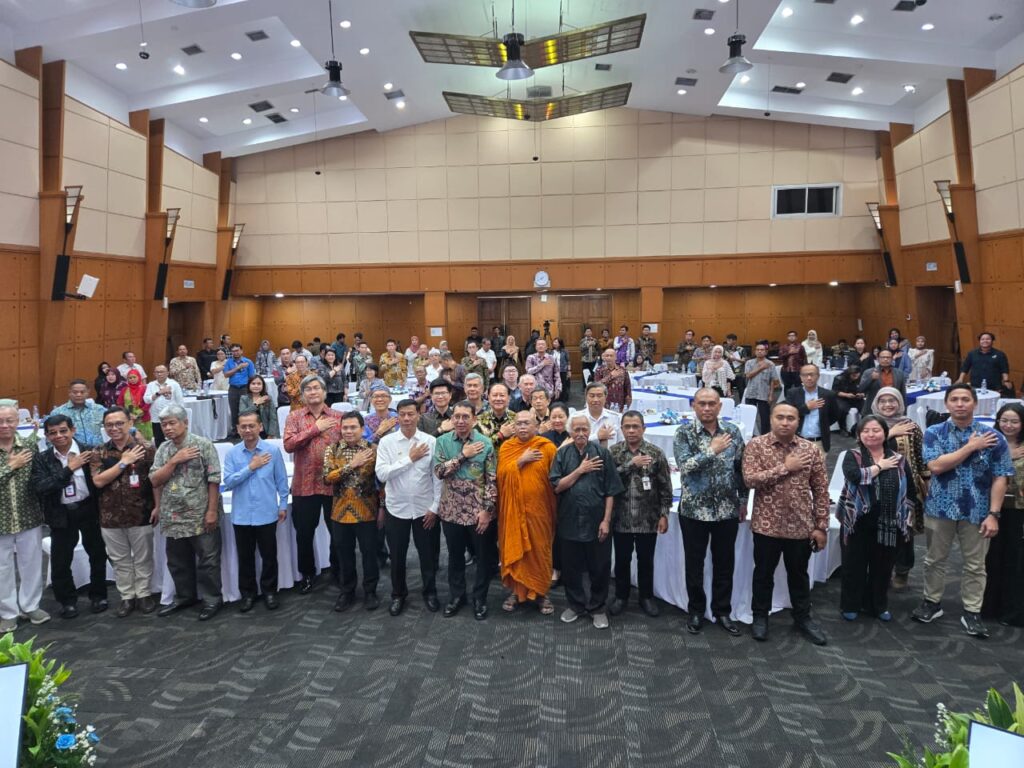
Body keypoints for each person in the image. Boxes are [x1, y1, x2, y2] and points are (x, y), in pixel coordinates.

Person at [912, 384, 1014, 638]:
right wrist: (970, 447)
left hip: (978, 510)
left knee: (976, 565)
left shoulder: (993, 437)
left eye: (965, 399)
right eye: (955, 399)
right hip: (940, 507)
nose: (960, 404)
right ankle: (931, 602)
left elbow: (1001, 477)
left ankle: (972, 611)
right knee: (934, 559)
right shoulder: (934, 432)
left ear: (975, 403)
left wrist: (994, 514)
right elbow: (936, 466)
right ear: (946, 404)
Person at [742, 402, 830, 645]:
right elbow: (750, 480)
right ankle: (760, 616)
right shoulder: (756, 445)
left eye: (790, 418)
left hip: (801, 525)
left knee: (799, 575)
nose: (785, 422)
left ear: (798, 421)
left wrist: (821, 526)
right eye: (780, 417)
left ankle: (802, 618)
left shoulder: (810, 450)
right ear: (771, 419)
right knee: (763, 574)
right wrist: (785, 468)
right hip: (766, 525)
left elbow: (821, 490)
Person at [674, 389, 746, 635]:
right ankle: (696, 610)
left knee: (724, 563)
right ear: (693, 406)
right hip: (694, 511)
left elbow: (740, 469)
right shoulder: (684, 433)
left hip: (727, 509)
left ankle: (722, 611)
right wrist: (711, 450)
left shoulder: (732, 432)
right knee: (694, 564)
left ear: (719, 406)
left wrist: (743, 500)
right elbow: (684, 466)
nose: (707, 408)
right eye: (702, 403)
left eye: (712, 403)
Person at [837, 415, 917, 622]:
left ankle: (877, 605)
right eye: (865, 431)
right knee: (853, 565)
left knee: (882, 567)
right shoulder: (852, 456)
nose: (871, 435)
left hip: (889, 522)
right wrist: (880, 466)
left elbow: (910, 490)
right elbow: (855, 476)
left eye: (876, 430)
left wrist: (906, 518)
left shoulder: (899, 460)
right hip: (857, 520)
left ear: (885, 433)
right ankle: (851, 604)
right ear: (859, 435)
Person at [549, 414, 624, 629]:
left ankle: (597, 608)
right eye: (577, 430)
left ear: (590, 431)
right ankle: (575, 605)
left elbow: (611, 490)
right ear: (570, 432)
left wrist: (606, 520)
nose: (581, 433)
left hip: (597, 520)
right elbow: (557, 486)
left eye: (584, 429)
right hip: (569, 520)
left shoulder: (602, 453)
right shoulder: (562, 454)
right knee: (571, 568)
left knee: (599, 567)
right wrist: (580, 470)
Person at [149, 406, 223, 621]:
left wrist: (212, 511)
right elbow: (155, 480)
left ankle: (212, 599)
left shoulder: (203, 445)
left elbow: (214, 480)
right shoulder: (164, 449)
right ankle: (185, 596)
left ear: (185, 423)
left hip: (199, 514)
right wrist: (174, 460)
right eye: (164, 424)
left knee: (208, 560)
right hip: (173, 515)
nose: (167, 428)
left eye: (172, 423)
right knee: (177, 561)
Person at [31, 415, 107, 618]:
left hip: (88, 508)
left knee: (97, 554)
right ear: (47, 436)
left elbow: (100, 482)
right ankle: (67, 601)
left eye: (63, 430)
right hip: (60, 512)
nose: (59, 436)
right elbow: (42, 487)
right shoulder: (42, 459)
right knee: (61, 560)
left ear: (72, 430)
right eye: (53, 433)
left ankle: (98, 595)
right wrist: (69, 469)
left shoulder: (89, 452)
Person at [376, 399, 443, 616]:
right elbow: (382, 474)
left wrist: (435, 507)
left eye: (411, 414)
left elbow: (438, 477)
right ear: (397, 417)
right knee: (397, 556)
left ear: (418, 415)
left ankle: (430, 592)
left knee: (428, 555)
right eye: (402, 414)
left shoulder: (430, 441)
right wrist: (409, 459)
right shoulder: (387, 443)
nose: (406, 418)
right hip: (396, 509)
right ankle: (398, 594)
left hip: (425, 509)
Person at [432, 401, 498, 621]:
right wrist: (463, 455)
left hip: (478, 511)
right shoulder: (442, 442)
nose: (460, 421)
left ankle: (480, 598)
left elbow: (492, 480)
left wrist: (487, 510)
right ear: (451, 419)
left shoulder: (485, 443)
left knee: (483, 557)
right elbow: (439, 472)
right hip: (451, 510)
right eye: (457, 417)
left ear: (474, 419)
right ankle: (456, 596)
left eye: (465, 417)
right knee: (455, 556)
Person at [89, 406, 156, 617]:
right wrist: (123, 462)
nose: (114, 428)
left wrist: (158, 506)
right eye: (109, 425)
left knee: (143, 558)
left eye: (119, 423)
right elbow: (98, 481)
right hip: (110, 515)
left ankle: (144, 594)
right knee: (120, 560)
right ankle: (127, 596)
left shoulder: (146, 449)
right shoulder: (98, 451)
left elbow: (156, 481)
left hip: (141, 512)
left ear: (130, 423)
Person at [222, 411, 288, 612]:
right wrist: (251, 467)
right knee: (245, 558)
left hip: (266, 512)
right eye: (243, 426)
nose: (248, 430)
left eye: (252, 425)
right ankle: (248, 594)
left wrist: (283, 505)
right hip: (242, 515)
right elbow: (229, 482)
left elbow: (281, 481)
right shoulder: (232, 454)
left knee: (269, 556)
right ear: (238, 429)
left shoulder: (272, 451)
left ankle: (269, 592)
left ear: (260, 427)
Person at [283, 374, 343, 594]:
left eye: (316, 387)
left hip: (333, 484)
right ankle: (307, 574)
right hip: (304, 484)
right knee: (304, 533)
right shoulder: (294, 417)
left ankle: (338, 571)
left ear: (325, 392)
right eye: (308, 389)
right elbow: (289, 445)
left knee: (338, 532)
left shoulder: (338, 417)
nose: (313, 392)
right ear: (302, 395)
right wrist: (315, 429)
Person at [608, 411, 672, 618]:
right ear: (621, 429)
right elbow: (608, 481)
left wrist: (664, 514)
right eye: (627, 427)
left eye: (635, 426)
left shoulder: (655, 453)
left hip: (648, 518)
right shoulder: (614, 452)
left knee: (646, 559)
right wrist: (630, 465)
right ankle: (621, 596)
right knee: (622, 560)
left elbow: (665, 486)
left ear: (643, 429)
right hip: (621, 518)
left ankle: (646, 597)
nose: (631, 431)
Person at [498, 410, 558, 615]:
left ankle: (542, 593)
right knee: (516, 551)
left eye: (527, 423)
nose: (522, 427)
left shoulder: (546, 447)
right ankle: (516, 592)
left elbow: (556, 479)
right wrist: (520, 461)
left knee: (540, 551)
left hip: (539, 512)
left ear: (536, 426)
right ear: (513, 426)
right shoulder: (507, 447)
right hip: (513, 511)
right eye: (519, 423)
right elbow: (500, 477)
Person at [871, 388, 929, 590]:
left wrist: (926, 482)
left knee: (904, 532)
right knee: (878, 530)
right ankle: (881, 570)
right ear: (876, 404)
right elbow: (861, 451)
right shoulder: (870, 425)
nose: (888, 405)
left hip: (906, 489)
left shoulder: (910, 426)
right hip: (876, 487)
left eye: (892, 400)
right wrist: (889, 434)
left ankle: (902, 570)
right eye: (883, 401)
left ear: (900, 403)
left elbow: (921, 456)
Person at [323, 411, 380, 612]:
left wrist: (382, 508)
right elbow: (327, 478)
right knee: (344, 554)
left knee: (370, 554)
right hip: (340, 512)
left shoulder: (372, 450)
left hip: (367, 511)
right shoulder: (332, 449)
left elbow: (381, 481)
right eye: (345, 427)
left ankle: (370, 591)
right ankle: (347, 591)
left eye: (353, 427)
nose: (348, 431)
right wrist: (351, 465)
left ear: (362, 429)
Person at [0, 400, 48, 632]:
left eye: (9, 420)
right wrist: (11, 466)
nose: (5, 425)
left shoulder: (29, 444)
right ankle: (8, 612)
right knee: (2, 569)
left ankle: (31, 606)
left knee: (32, 563)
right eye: (0, 421)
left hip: (29, 514)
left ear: (17, 422)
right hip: (1, 519)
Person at [982, 403, 1024, 626]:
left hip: (1019, 510)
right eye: (1004, 421)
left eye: (1014, 421)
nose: (1008, 425)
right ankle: (988, 607)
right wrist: (1007, 455)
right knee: (991, 558)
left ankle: (1012, 610)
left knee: (1015, 560)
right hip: (991, 509)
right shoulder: (989, 443)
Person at [785, 364, 840, 455]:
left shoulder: (828, 395)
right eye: (805, 375)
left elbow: (835, 415)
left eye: (812, 374)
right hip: (797, 441)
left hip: (819, 442)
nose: (809, 378)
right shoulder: (793, 393)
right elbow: (788, 415)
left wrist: (824, 424)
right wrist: (806, 407)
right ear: (800, 377)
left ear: (818, 376)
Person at [50, 379, 108, 448]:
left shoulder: (99, 409)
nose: (78, 395)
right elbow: (50, 436)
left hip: (97, 451)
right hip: (72, 452)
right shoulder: (58, 412)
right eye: (75, 392)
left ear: (88, 392)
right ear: (69, 393)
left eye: (82, 392)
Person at [743, 341, 781, 436]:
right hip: (751, 393)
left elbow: (773, 380)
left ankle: (765, 436)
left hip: (764, 393)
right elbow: (748, 375)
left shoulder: (770, 364)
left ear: (766, 352)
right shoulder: (749, 363)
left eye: (762, 350)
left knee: (765, 417)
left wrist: (771, 395)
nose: (759, 351)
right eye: (758, 350)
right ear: (755, 351)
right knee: (749, 415)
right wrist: (761, 368)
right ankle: (750, 435)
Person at [143, 364, 184, 448]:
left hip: (171, 417)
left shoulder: (174, 384)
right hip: (156, 417)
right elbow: (146, 400)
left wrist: (180, 417)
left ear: (167, 373)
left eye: (161, 372)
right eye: (157, 372)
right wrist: (159, 393)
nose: (159, 374)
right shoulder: (151, 385)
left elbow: (180, 402)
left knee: (173, 438)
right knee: (158, 439)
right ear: (154, 374)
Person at [858, 349, 906, 413]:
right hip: (873, 410)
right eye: (883, 357)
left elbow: (902, 394)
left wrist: (904, 412)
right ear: (878, 359)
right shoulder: (869, 372)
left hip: (892, 409)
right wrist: (871, 378)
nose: (885, 359)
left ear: (892, 359)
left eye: (888, 357)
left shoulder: (899, 373)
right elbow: (860, 389)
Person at [224, 344, 256, 435]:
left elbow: (252, 376)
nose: (235, 353)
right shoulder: (229, 362)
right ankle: (235, 430)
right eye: (233, 351)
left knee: (245, 410)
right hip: (233, 388)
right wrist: (238, 367)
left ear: (241, 351)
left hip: (244, 388)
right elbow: (226, 374)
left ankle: (247, 429)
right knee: (234, 410)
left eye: (237, 350)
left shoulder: (248, 362)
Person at [580, 381, 622, 447]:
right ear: (586, 397)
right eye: (592, 396)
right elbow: (573, 443)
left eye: (599, 396)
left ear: (606, 397)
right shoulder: (577, 417)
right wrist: (597, 436)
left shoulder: (616, 417)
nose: (596, 400)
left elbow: (622, 443)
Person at [476, 381, 516, 450]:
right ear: (488, 397)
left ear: (509, 398)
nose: (498, 399)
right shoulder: (479, 420)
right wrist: (500, 435)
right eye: (494, 395)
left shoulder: (517, 419)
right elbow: (477, 447)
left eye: (502, 395)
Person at [117, 370, 153, 442]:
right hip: (129, 419)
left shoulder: (144, 388)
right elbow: (120, 403)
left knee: (145, 441)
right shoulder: (124, 390)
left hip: (143, 419)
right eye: (130, 378)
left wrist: (137, 414)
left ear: (139, 377)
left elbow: (148, 403)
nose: (132, 379)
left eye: (134, 377)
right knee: (131, 441)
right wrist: (127, 414)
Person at [595, 347, 631, 413]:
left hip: (619, 402)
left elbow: (627, 386)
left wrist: (628, 400)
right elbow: (597, 386)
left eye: (611, 356)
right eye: (607, 356)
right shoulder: (599, 370)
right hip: (604, 403)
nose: (609, 358)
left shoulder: (623, 370)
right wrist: (611, 376)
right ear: (604, 357)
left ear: (615, 357)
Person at [832, 365, 865, 435]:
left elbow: (863, 390)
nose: (856, 378)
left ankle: (862, 426)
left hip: (855, 397)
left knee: (865, 407)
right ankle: (842, 428)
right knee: (842, 409)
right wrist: (846, 395)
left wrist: (862, 394)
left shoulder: (860, 378)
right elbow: (835, 392)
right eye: (854, 376)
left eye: (857, 376)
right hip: (842, 397)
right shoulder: (839, 378)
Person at [551, 337, 571, 402]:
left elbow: (568, 361)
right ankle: (556, 397)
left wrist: (569, 371)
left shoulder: (565, 351)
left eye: (556, 342)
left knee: (563, 385)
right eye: (554, 342)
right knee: (555, 384)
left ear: (560, 343)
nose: (554, 343)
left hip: (563, 370)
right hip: (553, 371)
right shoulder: (551, 351)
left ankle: (563, 398)